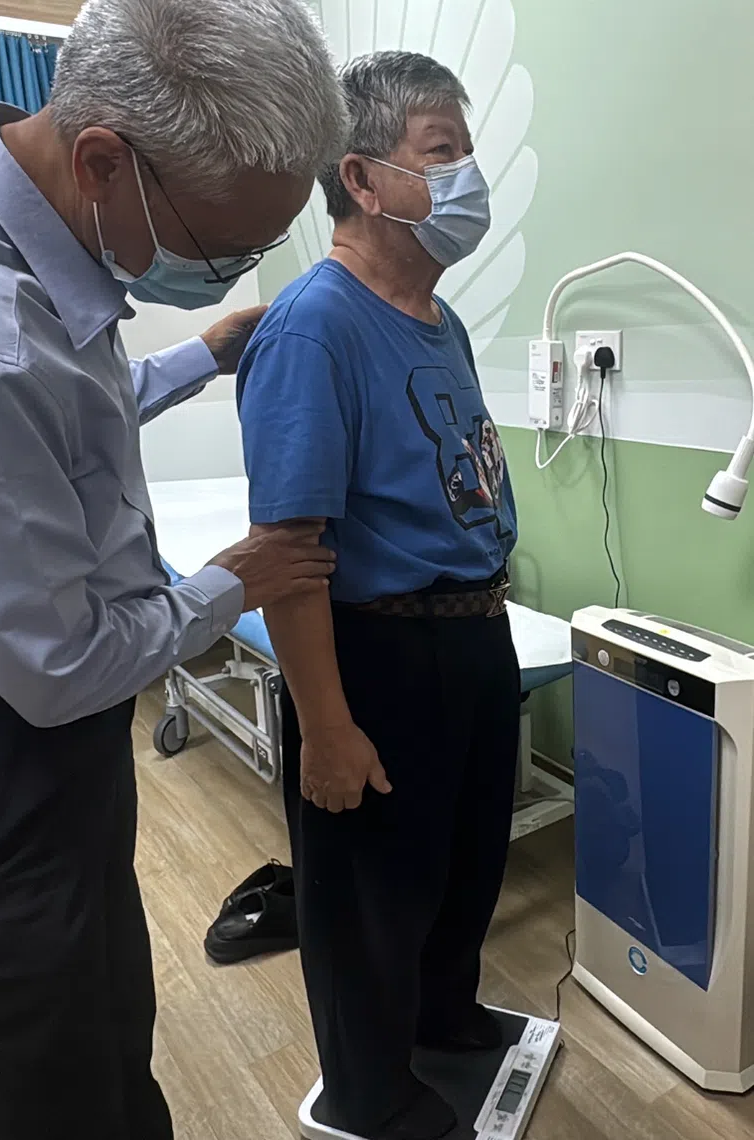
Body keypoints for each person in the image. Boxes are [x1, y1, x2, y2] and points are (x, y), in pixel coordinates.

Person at [0, 1, 348, 1137]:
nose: (226, 267)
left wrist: (201, 351)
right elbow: (61, 664)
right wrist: (243, 574)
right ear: (104, 160)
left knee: (98, 1034)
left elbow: (51, 427)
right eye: (223, 244)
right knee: (36, 1096)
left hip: (18, 735)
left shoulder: (12, 211)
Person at [236, 52, 520, 1140]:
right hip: (373, 651)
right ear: (363, 177)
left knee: (463, 864)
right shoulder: (316, 327)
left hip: (472, 633)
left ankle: (445, 1022)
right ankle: (367, 1090)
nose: (466, 176)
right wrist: (327, 727)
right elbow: (292, 551)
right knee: (369, 901)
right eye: (443, 153)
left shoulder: (434, 321)